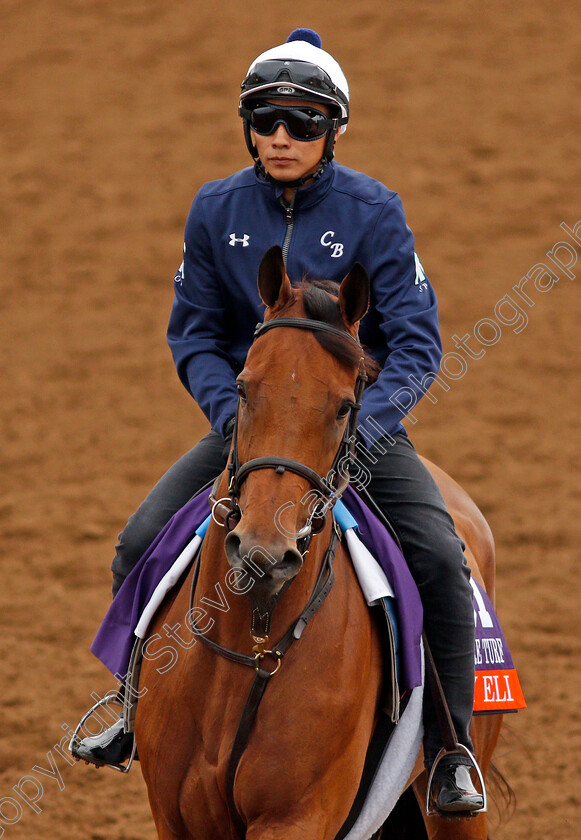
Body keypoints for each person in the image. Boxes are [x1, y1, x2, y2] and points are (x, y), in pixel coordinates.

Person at [73, 28, 484, 815]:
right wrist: (236, 415)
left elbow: (418, 342)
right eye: (266, 121)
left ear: (332, 130)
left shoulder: (375, 212)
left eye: (302, 122)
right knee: (136, 543)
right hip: (250, 423)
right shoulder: (215, 207)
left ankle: (449, 749)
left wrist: (364, 426)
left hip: (350, 425)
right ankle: (133, 708)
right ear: (247, 126)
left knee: (438, 554)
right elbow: (192, 330)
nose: (281, 138)